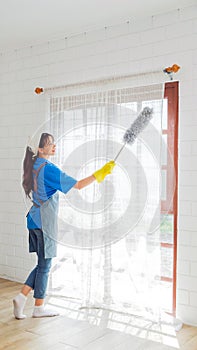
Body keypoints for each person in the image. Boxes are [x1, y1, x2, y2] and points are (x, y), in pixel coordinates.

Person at [13, 132, 115, 319]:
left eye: (54, 143)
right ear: (40, 149)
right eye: (50, 144)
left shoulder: (33, 164)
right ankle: (38, 307)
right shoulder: (48, 168)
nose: (54, 146)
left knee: (42, 263)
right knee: (45, 265)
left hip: (33, 220)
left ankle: (22, 297)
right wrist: (100, 174)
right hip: (44, 223)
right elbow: (78, 185)